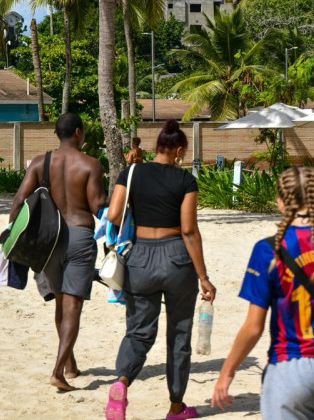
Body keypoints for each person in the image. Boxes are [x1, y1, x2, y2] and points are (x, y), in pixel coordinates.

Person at [105, 119, 216, 420]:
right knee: (179, 333)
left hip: (140, 257)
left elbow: (113, 214)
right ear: (179, 150)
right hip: (177, 259)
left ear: (156, 147)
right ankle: (176, 407)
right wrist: (203, 276)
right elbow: (189, 230)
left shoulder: (130, 172)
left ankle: (121, 382)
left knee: (139, 331)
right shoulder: (185, 181)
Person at [212, 166, 314, 419]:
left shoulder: (267, 250)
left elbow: (253, 327)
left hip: (290, 367)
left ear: (281, 202)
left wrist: (227, 371)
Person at [8, 113, 107, 392]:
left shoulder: (41, 162)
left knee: (61, 303)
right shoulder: (90, 164)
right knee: (73, 306)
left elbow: (19, 200)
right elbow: (98, 205)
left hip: (49, 241)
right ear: (77, 132)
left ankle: (70, 365)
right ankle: (57, 372)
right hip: (79, 237)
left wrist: (11, 238)